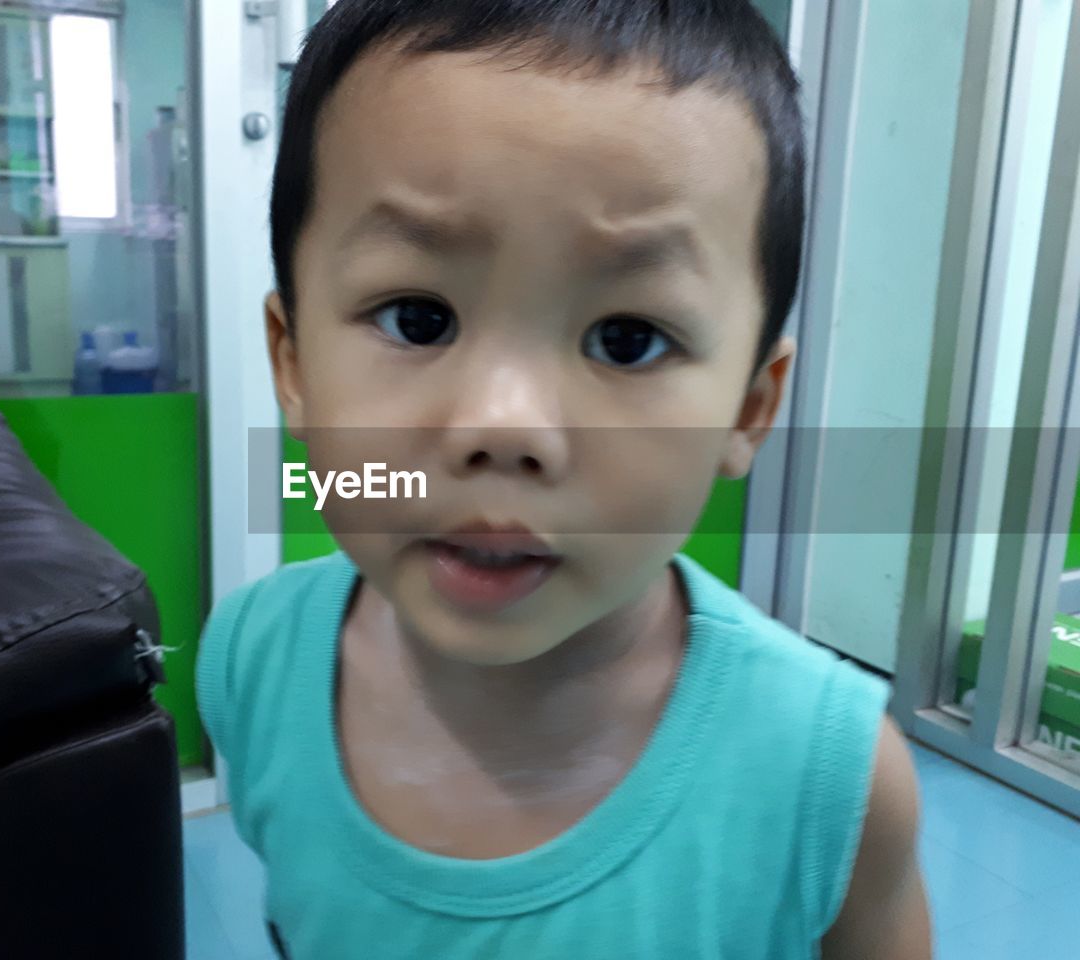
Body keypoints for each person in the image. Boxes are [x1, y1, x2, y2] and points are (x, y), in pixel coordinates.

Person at [196, 1, 932, 957]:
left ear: (750, 408)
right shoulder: (252, 664)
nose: (505, 427)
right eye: (418, 317)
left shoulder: (831, 781)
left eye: (627, 340)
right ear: (291, 364)